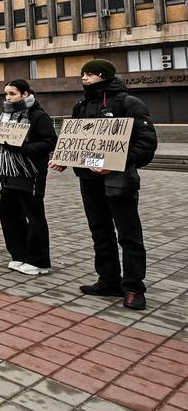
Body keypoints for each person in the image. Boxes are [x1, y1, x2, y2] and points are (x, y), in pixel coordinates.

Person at [51, 59, 157, 310]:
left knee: (129, 235)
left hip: (118, 181)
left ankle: (133, 288)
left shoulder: (129, 104)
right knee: (100, 231)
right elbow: (75, 141)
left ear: (104, 75)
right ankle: (108, 279)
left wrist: (119, 162)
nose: (84, 78)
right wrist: (65, 159)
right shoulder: (81, 105)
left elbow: (146, 145)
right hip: (89, 180)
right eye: (83, 74)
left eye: (90, 74)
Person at [0, 79, 58, 276]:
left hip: (29, 173)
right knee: (10, 216)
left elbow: (50, 141)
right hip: (7, 174)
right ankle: (19, 255)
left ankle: (39, 260)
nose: (8, 97)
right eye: (6, 94)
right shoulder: (4, 115)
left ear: (25, 94)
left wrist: (23, 148)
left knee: (34, 216)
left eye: (12, 93)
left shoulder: (37, 115)